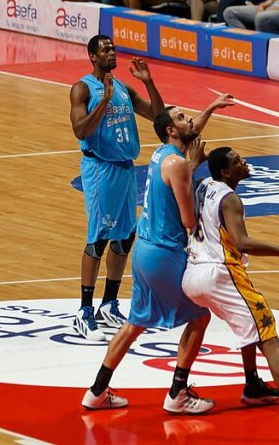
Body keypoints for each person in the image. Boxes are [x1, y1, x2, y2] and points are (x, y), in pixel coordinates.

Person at [81, 100, 234, 411]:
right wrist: (194, 171)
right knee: (200, 317)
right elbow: (188, 220)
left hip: (144, 251)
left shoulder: (161, 154)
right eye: (181, 117)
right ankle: (178, 394)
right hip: (164, 253)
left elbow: (191, 133)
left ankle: (96, 391)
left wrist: (211, 108)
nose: (189, 119)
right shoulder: (178, 164)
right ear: (170, 130)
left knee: (134, 324)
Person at [183, 146, 279, 439]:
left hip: (192, 271)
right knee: (269, 336)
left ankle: (252, 384)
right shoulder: (230, 198)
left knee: (247, 324)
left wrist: (194, 159)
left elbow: (189, 179)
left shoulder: (203, 185)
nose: (245, 162)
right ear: (226, 172)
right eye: (238, 161)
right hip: (220, 274)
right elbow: (242, 243)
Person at [68, 36, 165, 340]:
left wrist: (148, 82)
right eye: (105, 50)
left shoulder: (123, 88)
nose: (112, 53)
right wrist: (104, 101)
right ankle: (84, 311)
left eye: (113, 49)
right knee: (98, 238)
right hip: (100, 168)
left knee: (124, 237)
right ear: (92, 56)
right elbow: (80, 130)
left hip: (125, 167)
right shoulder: (83, 88)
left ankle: (109, 304)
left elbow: (159, 118)